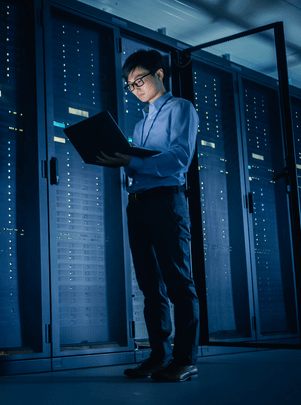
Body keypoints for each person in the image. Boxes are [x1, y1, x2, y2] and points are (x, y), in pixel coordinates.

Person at [96, 49, 200, 382]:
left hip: (167, 203)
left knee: (178, 282)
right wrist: (116, 159)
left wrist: (131, 162)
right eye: (130, 84)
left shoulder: (180, 108)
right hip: (138, 204)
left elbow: (179, 159)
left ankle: (185, 360)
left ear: (159, 74)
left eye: (139, 80)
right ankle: (160, 356)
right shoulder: (140, 125)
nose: (135, 87)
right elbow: (138, 167)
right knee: (149, 286)